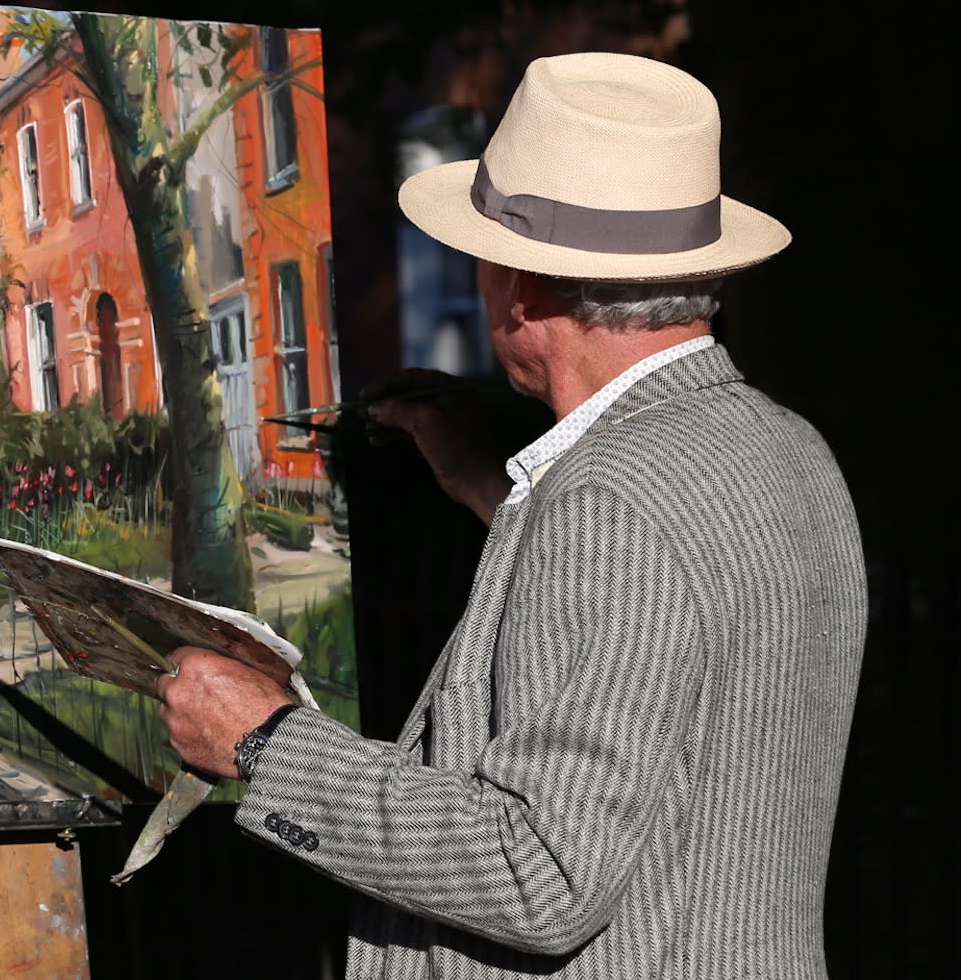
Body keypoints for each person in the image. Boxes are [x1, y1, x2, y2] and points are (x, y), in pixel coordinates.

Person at [156, 52, 866, 978]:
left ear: (525, 287)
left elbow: (541, 873)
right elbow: (675, 634)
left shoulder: (610, 503)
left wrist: (269, 743)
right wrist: (496, 497)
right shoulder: (788, 449)